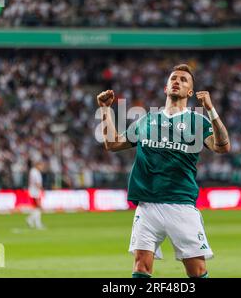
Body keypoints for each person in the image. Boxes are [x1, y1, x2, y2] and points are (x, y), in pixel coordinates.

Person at [97, 64, 231, 278]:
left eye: (184, 80)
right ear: (165, 87)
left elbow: (222, 146)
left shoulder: (197, 121)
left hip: (180, 204)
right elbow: (112, 144)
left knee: (197, 270)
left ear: (190, 92)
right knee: (141, 266)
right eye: (173, 78)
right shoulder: (147, 120)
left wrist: (210, 109)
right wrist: (105, 109)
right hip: (147, 205)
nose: (177, 81)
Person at [26, 162, 45, 230]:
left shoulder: (33, 171)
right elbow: (37, 183)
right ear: (38, 165)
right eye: (41, 166)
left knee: (36, 208)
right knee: (38, 207)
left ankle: (34, 222)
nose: (42, 167)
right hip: (35, 192)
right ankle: (31, 220)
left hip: (33, 191)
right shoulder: (35, 172)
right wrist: (41, 189)